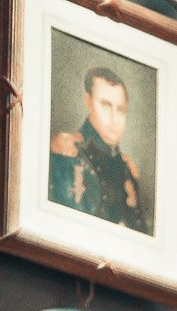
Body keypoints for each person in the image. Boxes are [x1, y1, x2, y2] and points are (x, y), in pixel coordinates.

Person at [48, 64, 148, 233]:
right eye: (105, 105)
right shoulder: (67, 153)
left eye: (121, 109)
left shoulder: (127, 168)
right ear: (88, 102)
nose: (114, 118)